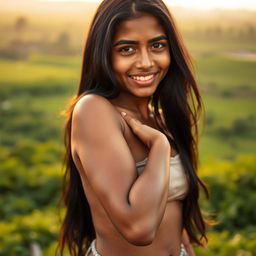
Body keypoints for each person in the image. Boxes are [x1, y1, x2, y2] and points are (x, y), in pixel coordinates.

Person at [57, 0, 208, 255]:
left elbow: (171, 210)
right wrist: (159, 145)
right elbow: (140, 228)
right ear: (103, 53)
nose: (146, 62)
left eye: (157, 45)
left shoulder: (160, 118)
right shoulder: (94, 111)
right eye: (127, 49)